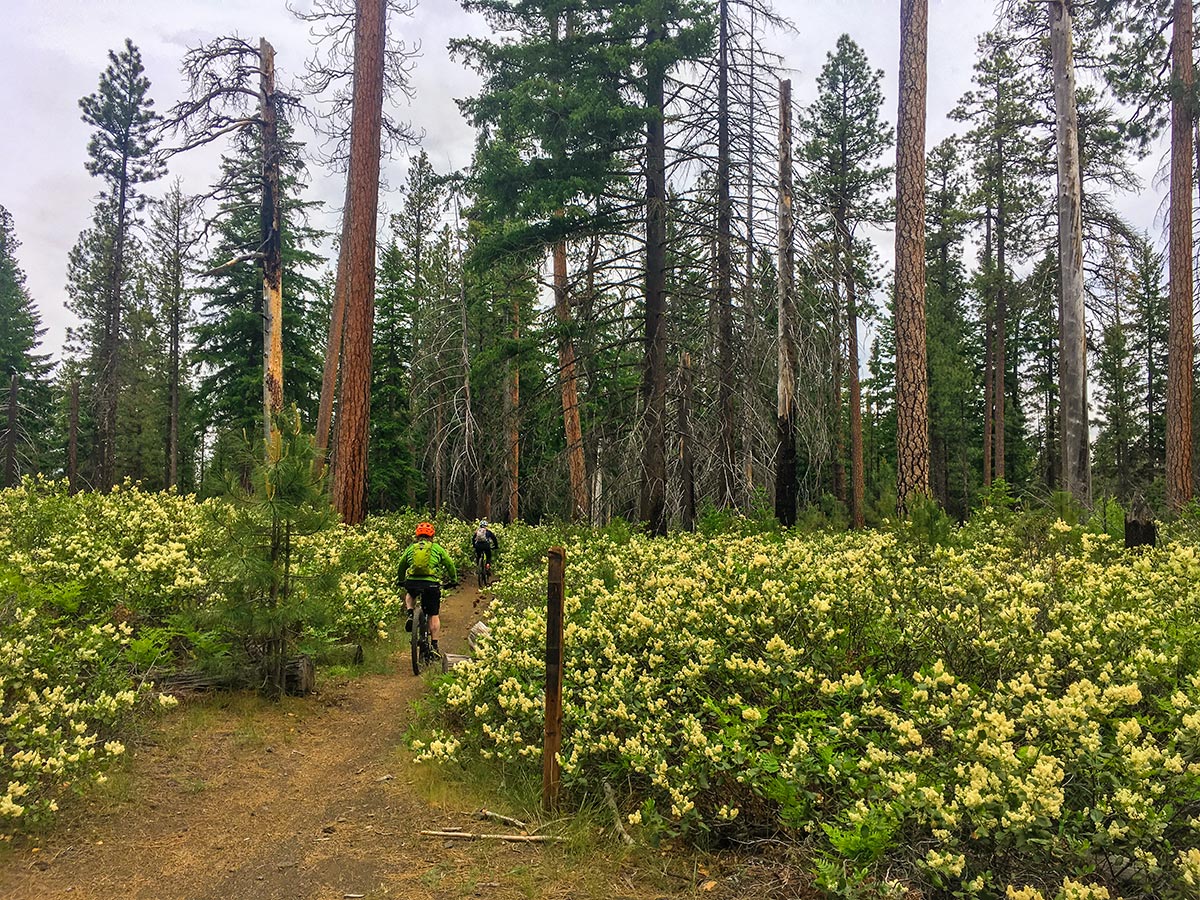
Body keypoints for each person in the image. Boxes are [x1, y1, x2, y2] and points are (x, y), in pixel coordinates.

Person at [397, 521, 457, 656]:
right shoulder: (436, 548)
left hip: (413, 581)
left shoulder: (412, 548)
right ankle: (434, 646)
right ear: (432, 536)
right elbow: (449, 564)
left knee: (409, 594)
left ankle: (411, 613)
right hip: (431, 584)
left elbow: (401, 564)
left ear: (417, 536)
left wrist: (401, 580)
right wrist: (453, 580)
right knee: (433, 615)